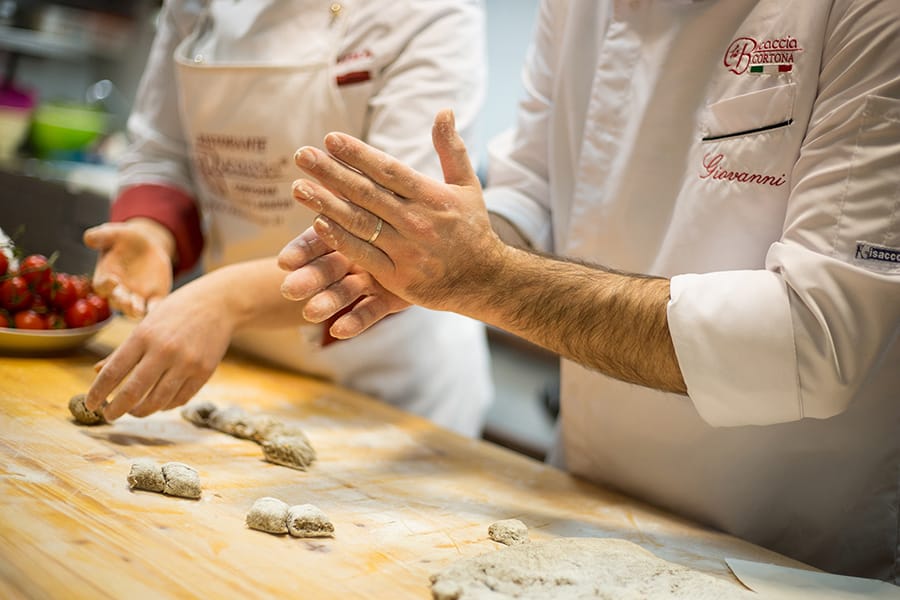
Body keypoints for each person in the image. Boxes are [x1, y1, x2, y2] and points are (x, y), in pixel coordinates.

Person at [276, 0, 900, 583]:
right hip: (587, 504)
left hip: (793, 555)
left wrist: (488, 279)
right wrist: (419, 252)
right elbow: (531, 194)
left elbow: (815, 340)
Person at [81, 0, 493, 439]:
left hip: (383, 384)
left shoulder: (429, 13)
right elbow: (161, 153)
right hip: (234, 357)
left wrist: (224, 301)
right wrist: (151, 231)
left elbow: (408, 232)